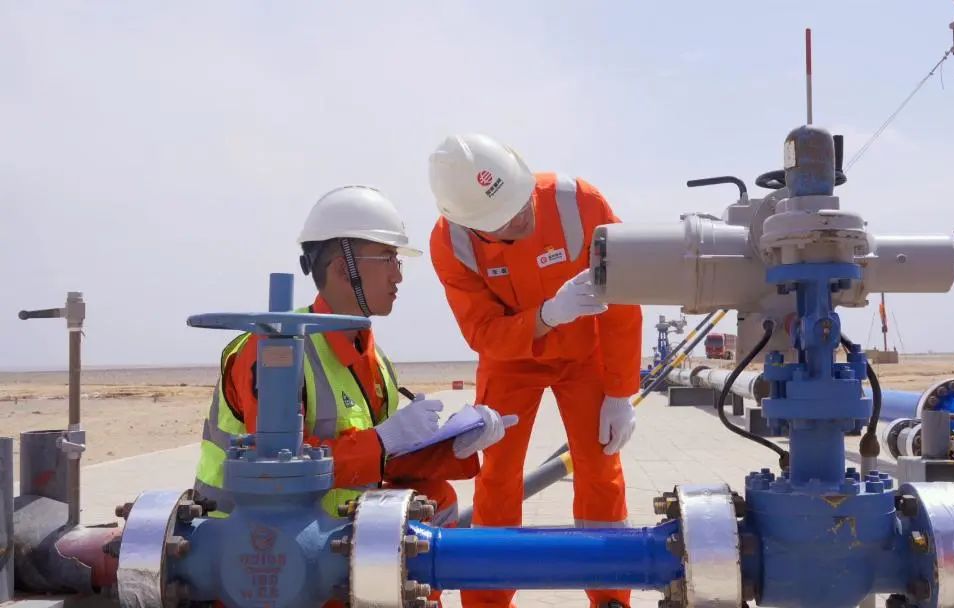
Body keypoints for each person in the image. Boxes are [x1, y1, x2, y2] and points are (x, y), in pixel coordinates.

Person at [193, 184, 516, 535]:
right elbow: (276, 471)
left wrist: (452, 446)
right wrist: (383, 440)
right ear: (343, 269)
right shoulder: (273, 351)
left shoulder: (375, 361)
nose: (398, 275)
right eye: (387, 258)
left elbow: (383, 463)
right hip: (249, 541)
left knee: (436, 499)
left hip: (327, 535)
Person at [428, 134, 643, 608]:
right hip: (510, 358)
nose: (522, 217)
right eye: (504, 220)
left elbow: (623, 299)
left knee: (600, 469)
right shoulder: (451, 244)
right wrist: (547, 315)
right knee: (497, 476)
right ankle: (487, 600)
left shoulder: (580, 203)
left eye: (521, 202)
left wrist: (620, 392)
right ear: (471, 226)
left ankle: (610, 597)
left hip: (585, 354)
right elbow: (483, 330)